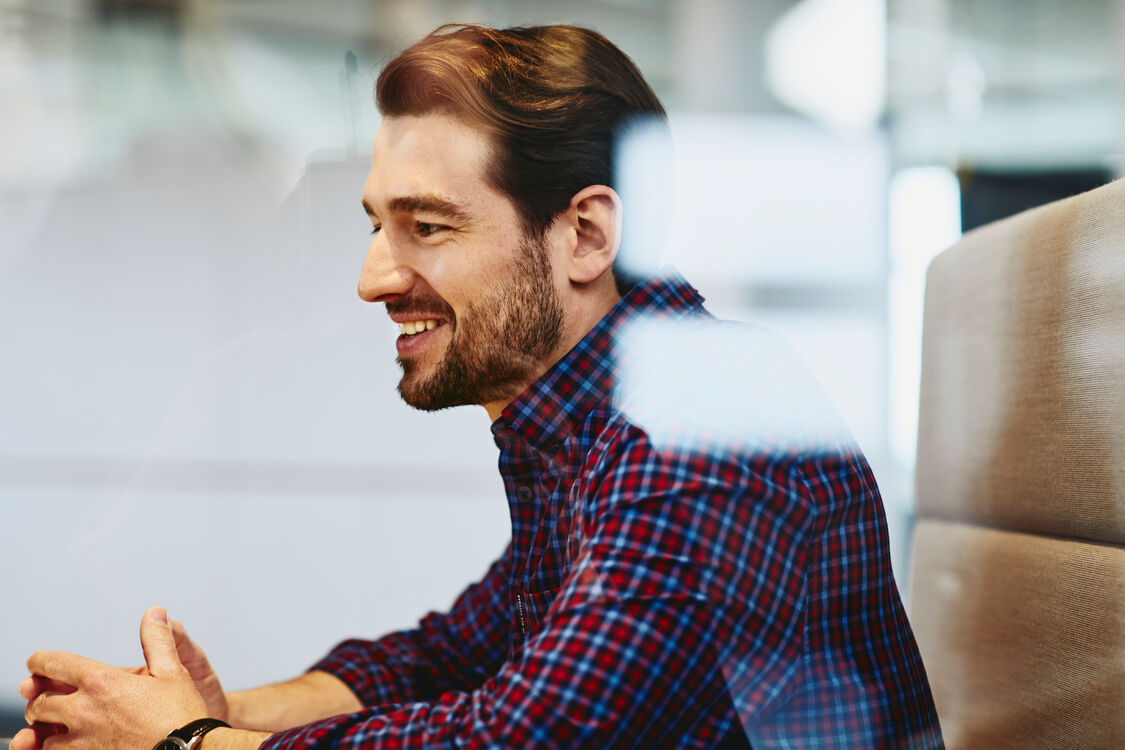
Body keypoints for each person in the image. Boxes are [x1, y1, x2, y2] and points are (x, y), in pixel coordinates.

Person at [16, 24, 944, 749]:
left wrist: (186, 743)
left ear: (584, 234)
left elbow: (525, 737)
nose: (371, 278)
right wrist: (219, 715)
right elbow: (451, 655)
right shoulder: (593, 419)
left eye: (427, 226)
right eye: (378, 224)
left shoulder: (699, 426)